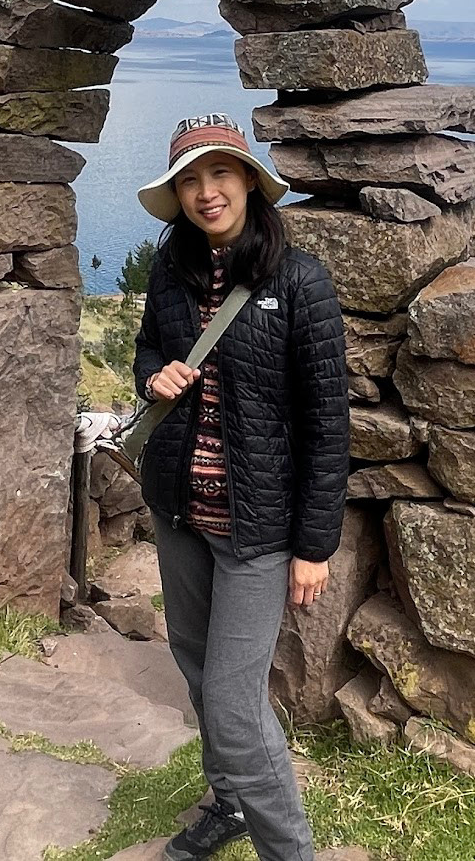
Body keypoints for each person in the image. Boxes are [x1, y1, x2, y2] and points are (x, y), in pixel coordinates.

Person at [126, 112, 348, 861]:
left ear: (251, 181)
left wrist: (314, 545)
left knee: (233, 700)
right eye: (189, 179)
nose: (205, 191)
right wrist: (152, 376)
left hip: (257, 528)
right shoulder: (170, 271)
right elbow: (149, 351)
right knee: (195, 665)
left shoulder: (299, 280)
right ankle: (228, 804)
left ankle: (290, 852)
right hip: (181, 510)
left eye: (219, 173)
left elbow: (327, 425)